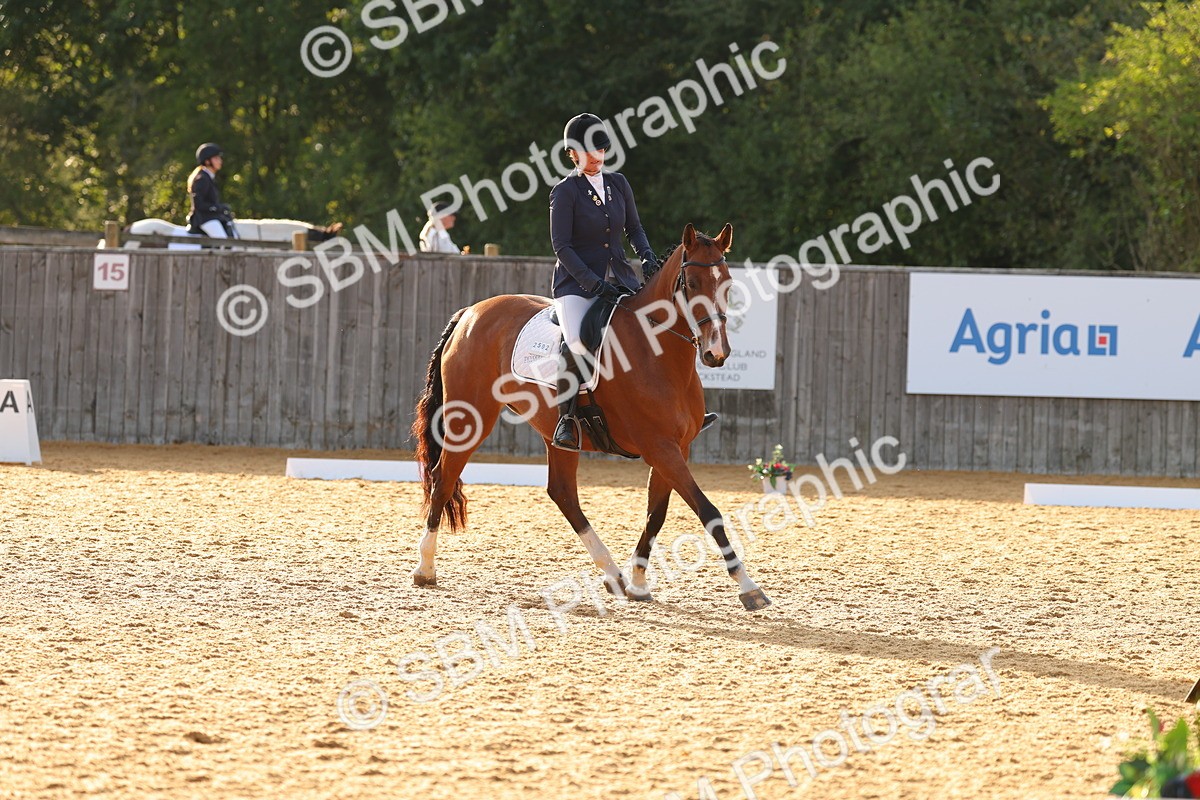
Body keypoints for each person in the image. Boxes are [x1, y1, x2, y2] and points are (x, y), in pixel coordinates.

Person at [547, 113, 661, 451]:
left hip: (621, 279)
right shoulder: (565, 192)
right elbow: (561, 246)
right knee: (578, 343)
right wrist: (593, 283)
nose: (596, 157)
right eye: (588, 151)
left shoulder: (619, 183)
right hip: (576, 285)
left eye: (601, 149)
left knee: (652, 332)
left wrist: (647, 257)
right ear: (572, 154)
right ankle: (566, 419)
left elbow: (634, 228)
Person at [187, 143, 234, 238]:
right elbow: (199, 205)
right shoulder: (202, 178)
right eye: (216, 158)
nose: (220, 161)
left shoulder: (209, 177)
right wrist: (217, 207)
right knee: (223, 240)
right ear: (207, 161)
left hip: (211, 218)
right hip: (204, 219)